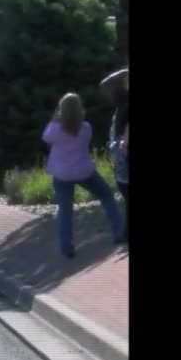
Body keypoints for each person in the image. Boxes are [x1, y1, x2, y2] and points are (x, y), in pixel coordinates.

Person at [42, 93, 124, 259]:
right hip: (84, 171)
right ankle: (118, 231)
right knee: (106, 195)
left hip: (62, 174)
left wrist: (56, 117)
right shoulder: (86, 128)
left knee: (65, 210)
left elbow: (46, 137)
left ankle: (67, 247)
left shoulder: (55, 130)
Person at [101, 68, 129, 245]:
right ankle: (125, 233)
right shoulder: (124, 96)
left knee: (125, 186)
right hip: (122, 147)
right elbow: (105, 85)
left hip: (123, 147)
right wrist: (125, 71)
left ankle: (125, 234)